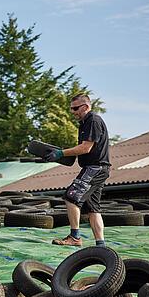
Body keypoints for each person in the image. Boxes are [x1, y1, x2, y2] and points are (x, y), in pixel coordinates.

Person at [47, 93, 111, 247]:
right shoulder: (84, 122)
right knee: (93, 208)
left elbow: (85, 148)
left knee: (70, 197)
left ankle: (75, 237)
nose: (73, 112)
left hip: (95, 168)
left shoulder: (93, 120)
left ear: (86, 107)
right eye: (71, 109)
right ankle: (101, 245)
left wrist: (61, 153)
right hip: (97, 168)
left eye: (75, 108)